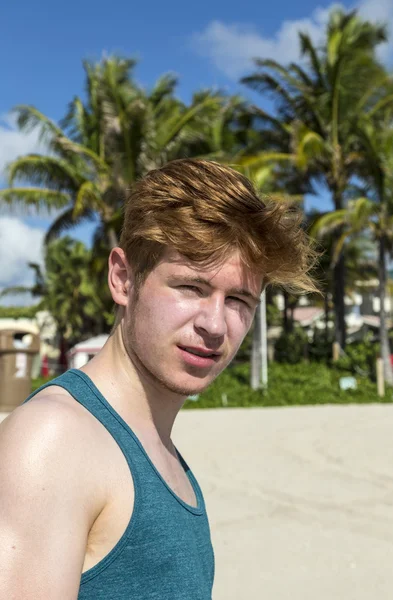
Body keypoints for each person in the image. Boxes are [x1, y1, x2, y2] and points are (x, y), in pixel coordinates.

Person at [0, 159, 316, 599]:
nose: (216, 325)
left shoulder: (157, 448)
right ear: (123, 279)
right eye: (191, 287)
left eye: (239, 300)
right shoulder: (54, 440)